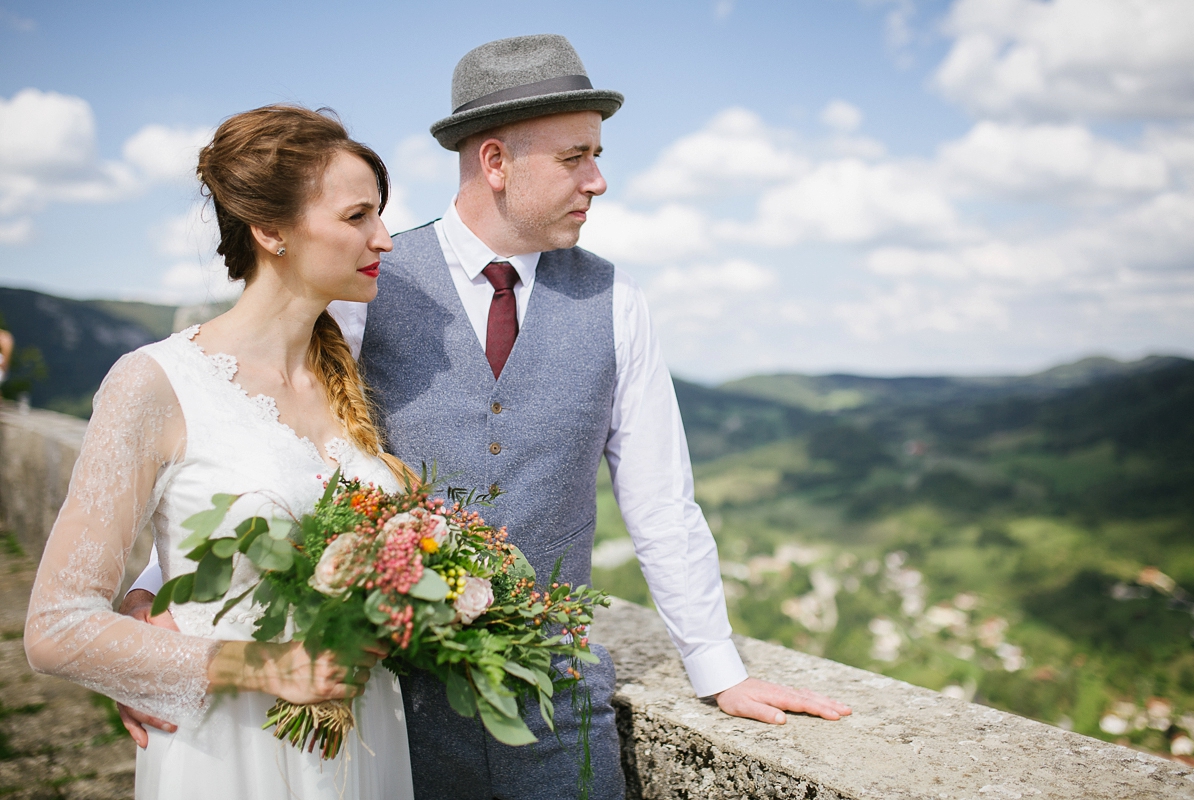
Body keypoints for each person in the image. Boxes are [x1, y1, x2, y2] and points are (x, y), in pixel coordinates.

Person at [125, 34, 851, 800]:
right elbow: (259, 449)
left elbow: (662, 500)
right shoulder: (361, 286)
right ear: (497, 162)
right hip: (389, 706)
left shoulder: (619, 303)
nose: (598, 180)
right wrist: (162, 594)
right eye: (576, 158)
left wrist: (718, 670)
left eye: (596, 155)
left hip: (554, 704)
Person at [25, 105, 414, 800]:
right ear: (271, 232)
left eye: (379, 215)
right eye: (358, 217)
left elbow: (247, 508)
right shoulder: (155, 382)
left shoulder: (345, 375)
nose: (383, 238)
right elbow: (56, 627)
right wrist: (267, 666)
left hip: (367, 747)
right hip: (232, 754)